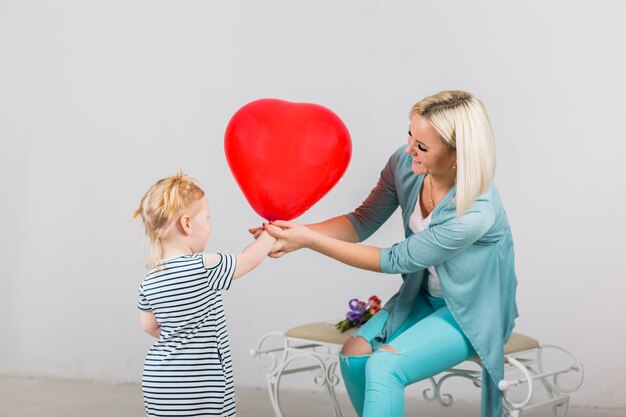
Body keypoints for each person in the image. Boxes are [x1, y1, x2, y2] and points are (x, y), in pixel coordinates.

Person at [260, 90, 518, 417]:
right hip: (421, 299)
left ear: (458, 155)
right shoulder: (405, 164)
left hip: (472, 310)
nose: (410, 149)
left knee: (385, 366)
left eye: (422, 147)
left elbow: (396, 260)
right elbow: (362, 220)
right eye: (410, 135)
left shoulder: (474, 211)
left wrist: (308, 240)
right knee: (354, 357)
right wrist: (292, 231)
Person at [133, 172, 276, 417]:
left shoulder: (149, 281)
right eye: (207, 218)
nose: (210, 224)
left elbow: (148, 326)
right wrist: (271, 233)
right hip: (200, 384)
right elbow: (249, 260)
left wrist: (179, 333)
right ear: (187, 224)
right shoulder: (205, 266)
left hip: (158, 382)